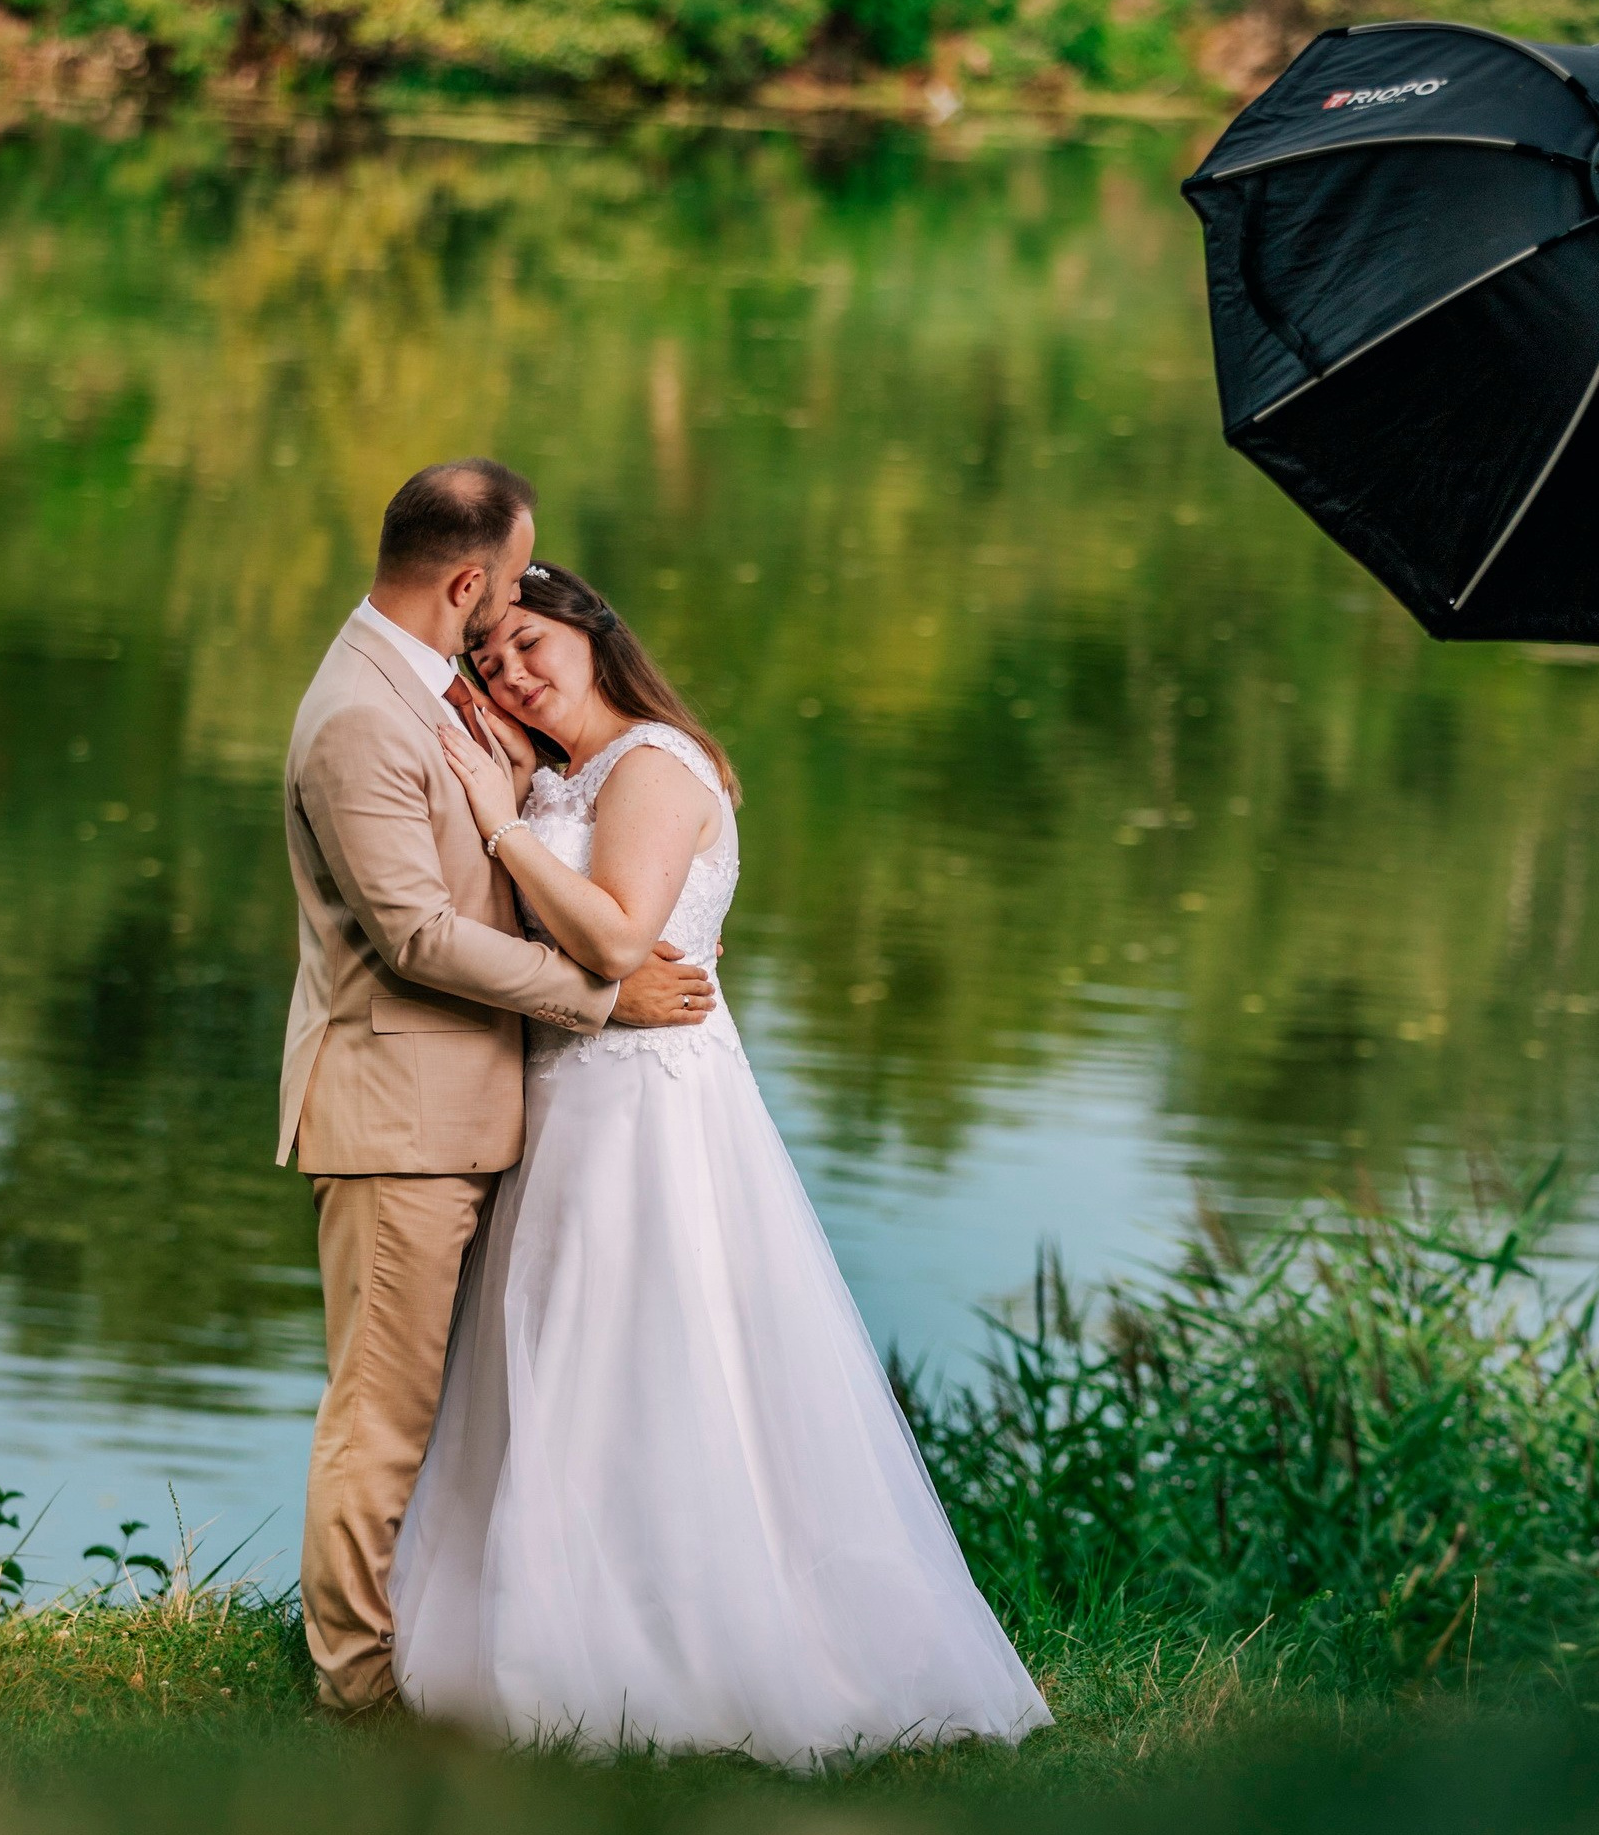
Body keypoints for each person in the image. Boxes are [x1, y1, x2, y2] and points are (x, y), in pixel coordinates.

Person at [392, 557, 1051, 1766]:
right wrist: (503, 790)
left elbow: (619, 935)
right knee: (546, 1346)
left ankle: (675, 1653)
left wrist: (498, 821)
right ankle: (540, 1633)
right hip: (566, 1094)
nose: (513, 671)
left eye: (530, 641)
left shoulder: (649, 763)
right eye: (489, 660)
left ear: (592, 630)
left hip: (642, 1107)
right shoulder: (565, 773)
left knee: (638, 1346)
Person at [279, 463, 713, 1718]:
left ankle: (462, 1642)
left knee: (464, 1411)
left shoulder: (432, 693)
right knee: (381, 1418)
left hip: (487, 1114)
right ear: (466, 581)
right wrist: (600, 998)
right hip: (399, 1120)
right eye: (513, 581)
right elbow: (415, 933)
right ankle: (357, 1696)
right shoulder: (360, 712)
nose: (520, 606)